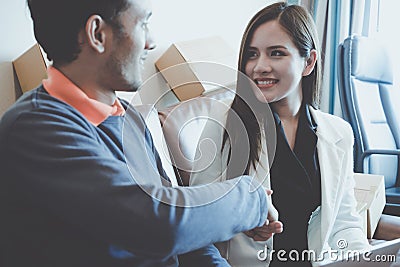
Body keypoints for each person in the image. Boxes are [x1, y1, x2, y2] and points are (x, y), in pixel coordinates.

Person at [0, 0, 272, 266]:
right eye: (143, 23)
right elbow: (158, 224)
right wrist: (251, 197)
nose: (151, 42)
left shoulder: (127, 117)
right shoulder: (34, 129)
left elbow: (185, 237)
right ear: (97, 34)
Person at [190, 2, 370, 266]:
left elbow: (344, 222)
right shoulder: (222, 125)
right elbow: (196, 219)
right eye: (252, 54)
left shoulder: (338, 133)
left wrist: (364, 259)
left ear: (308, 61)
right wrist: (239, 220)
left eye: (276, 53)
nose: (259, 67)